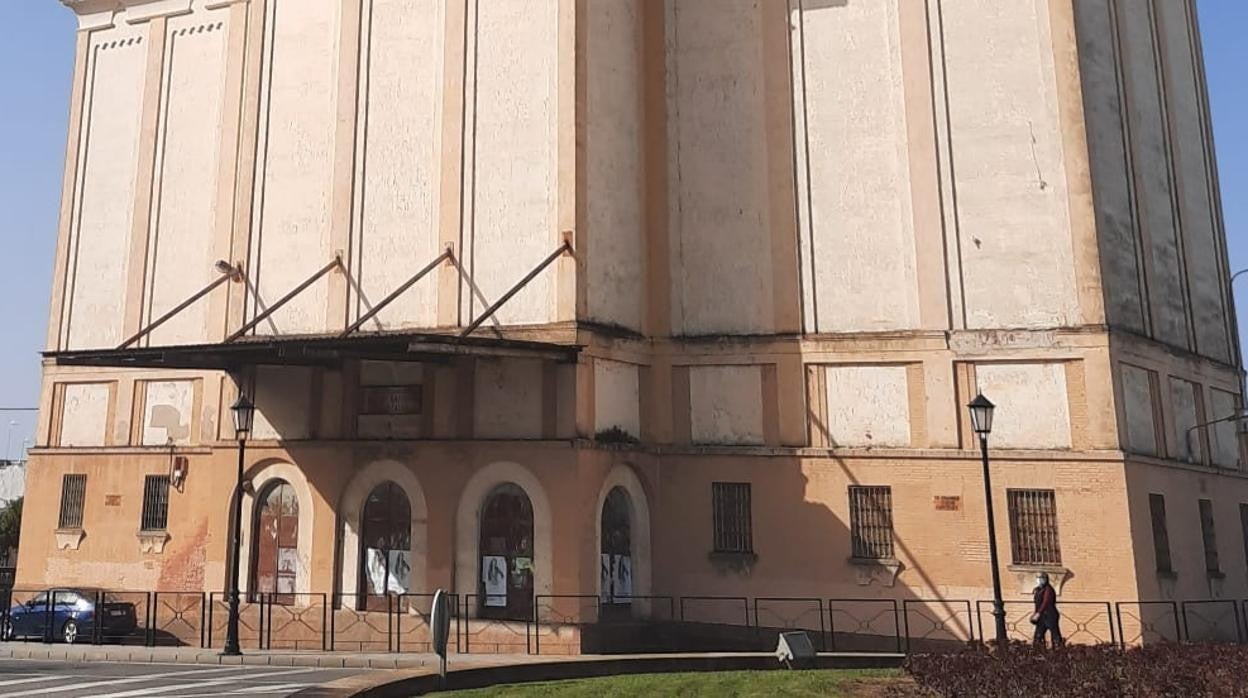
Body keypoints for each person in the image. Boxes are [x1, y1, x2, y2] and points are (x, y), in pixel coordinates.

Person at [1031, 572, 1063, 648]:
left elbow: (1046, 602)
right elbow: (1037, 604)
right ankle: (1039, 653)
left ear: (1046, 579)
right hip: (1042, 616)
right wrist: (1036, 613)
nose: (1039, 580)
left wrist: (1038, 613)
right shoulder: (1038, 589)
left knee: (1055, 635)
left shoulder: (1048, 590)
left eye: (1041, 578)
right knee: (1038, 636)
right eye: (1038, 578)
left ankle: (1058, 652)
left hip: (1050, 615)